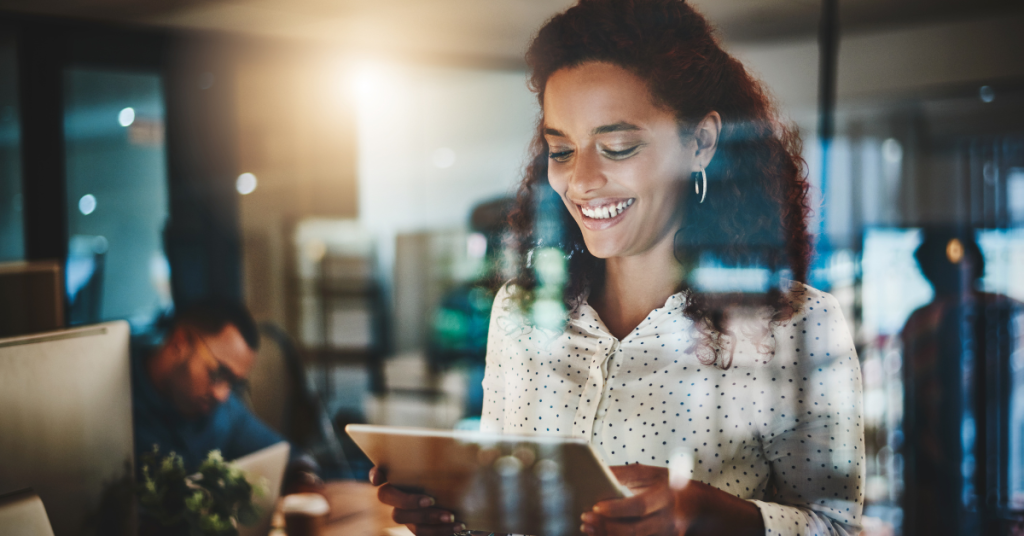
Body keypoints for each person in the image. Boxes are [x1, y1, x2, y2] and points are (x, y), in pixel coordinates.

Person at [371, 1, 864, 535]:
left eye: (618, 147)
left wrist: (709, 516)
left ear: (700, 143)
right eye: (562, 151)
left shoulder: (795, 326)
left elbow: (837, 526)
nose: (581, 181)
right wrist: (454, 522)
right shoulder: (520, 313)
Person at [132, 300, 322, 492]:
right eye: (218, 374)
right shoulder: (119, 406)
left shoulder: (223, 412)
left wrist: (304, 477)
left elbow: (290, 457)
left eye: (234, 383)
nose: (222, 395)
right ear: (179, 342)